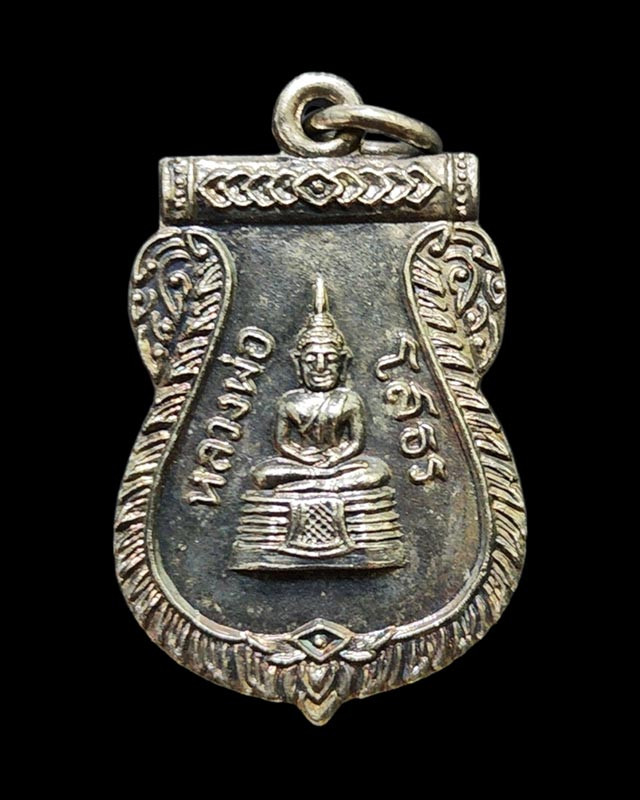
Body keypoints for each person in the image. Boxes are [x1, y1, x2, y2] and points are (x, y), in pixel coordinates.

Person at [251, 275, 390, 493]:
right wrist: (304, 458)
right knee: (262, 474)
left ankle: (317, 483)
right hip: (302, 463)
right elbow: (282, 443)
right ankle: (322, 480)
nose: (320, 367)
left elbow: (356, 443)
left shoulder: (349, 400)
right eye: (310, 360)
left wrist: (337, 457)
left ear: (343, 363)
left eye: (330, 359)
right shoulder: (289, 402)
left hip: (340, 464)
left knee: (377, 470)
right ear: (298, 363)